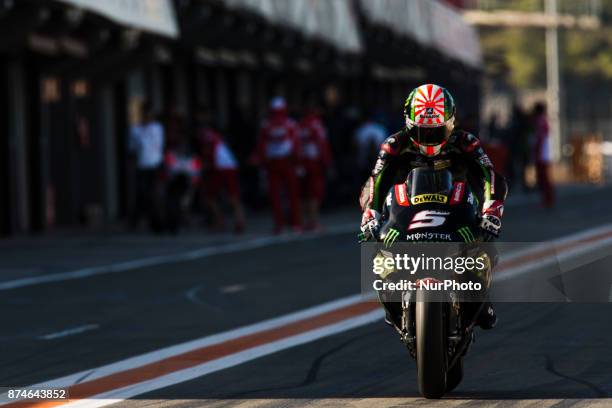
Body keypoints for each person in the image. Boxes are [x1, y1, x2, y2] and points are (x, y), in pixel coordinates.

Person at [359, 84, 507, 329]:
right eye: (422, 131)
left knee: (484, 245)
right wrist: (370, 213)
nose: (429, 139)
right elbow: (375, 181)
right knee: (377, 251)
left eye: (437, 130)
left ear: (450, 122)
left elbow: (490, 176)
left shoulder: (467, 142)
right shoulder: (393, 144)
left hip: (457, 207)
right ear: (409, 123)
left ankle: (479, 297)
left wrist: (492, 211)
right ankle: (392, 298)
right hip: (405, 211)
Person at [252, 97, 302, 233]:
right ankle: (292, 223)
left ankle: (284, 223)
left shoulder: (268, 124)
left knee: (280, 194)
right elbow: (296, 144)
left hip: (280, 162)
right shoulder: (288, 124)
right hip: (281, 162)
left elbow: (261, 145)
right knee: (287, 193)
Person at [196, 106, 245, 233]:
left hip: (221, 165)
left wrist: (205, 164)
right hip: (228, 164)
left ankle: (223, 220)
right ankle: (236, 219)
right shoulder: (212, 131)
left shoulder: (207, 133)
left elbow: (208, 150)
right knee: (229, 195)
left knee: (212, 196)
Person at [128, 101, 165, 231]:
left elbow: (160, 147)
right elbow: (132, 150)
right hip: (141, 166)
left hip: (155, 165)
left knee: (154, 194)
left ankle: (156, 221)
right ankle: (136, 220)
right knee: (142, 194)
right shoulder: (135, 130)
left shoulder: (157, 128)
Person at [298, 107, 333, 231]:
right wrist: (327, 163)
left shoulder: (299, 125)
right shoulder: (317, 125)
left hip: (300, 162)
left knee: (303, 193)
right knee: (314, 193)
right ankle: (313, 222)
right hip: (314, 163)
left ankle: (302, 222)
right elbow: (322, 144)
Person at [354, 113, 388, 181]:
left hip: (364, 164)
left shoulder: (360, 130)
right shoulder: (381, 129)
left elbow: (354, 147)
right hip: (377, 164)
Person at [533, 102, 554, 208]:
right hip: (544, 151)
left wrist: (537, 152)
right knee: (543, 177)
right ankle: (547, 198)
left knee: (543, 177)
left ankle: (548, 199)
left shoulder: (540, 121)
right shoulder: (544, 120)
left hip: (542, 152)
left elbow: (540, 138)